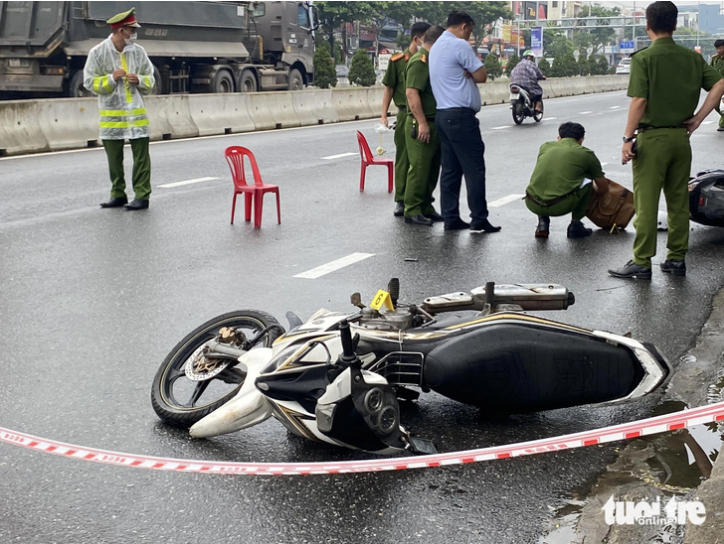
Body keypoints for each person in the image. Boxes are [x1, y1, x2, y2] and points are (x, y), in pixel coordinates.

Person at [609, 1, 724, 280]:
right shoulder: (693, 58)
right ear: (674, 25)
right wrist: (697, 118)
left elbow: (639, 100)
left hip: (653, 139)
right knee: (678, 201)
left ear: (647, 25)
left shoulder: (643, 58)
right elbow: (720, 84)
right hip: (680, 138)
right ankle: (675, 259)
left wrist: (627, 138)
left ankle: (641, 261)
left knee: (647, 202)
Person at [429, 12, 500, 233]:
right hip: (460, 117)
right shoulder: (459, 46)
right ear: (463, 26)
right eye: (470, 30)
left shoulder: (436, 47)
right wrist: (469, 71)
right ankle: (479, 218)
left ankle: (451, 217)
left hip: (443, 115)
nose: (470, 35)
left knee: (450, 170)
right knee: (474, 169)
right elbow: (481, 75)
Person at [84, 7, 155, 211]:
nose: (134, 34)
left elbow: (151, 79)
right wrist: (111, 79)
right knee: (114, 160)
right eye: (131, 30)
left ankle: (142, 196)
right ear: (120, 30)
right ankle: (118, 194)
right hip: (111, 118)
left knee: (141, 158)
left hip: (136, 117)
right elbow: (89, 82)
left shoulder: (139, 52)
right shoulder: (98, 53)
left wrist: (140, 80)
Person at [525, 122, 612, 239]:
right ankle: (575, 225)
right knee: (587, 180)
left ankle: (542, 223)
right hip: (560, 206)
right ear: (581, 140)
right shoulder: (586, 154)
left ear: (558, 138)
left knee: (547, 178)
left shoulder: (545, 146)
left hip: (532, 202)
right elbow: (604, 188)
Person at [381, 22, 431, 217]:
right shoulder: (397, 61)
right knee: (403, 159)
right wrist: (384, 115)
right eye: (426, 39)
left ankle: (421, 201)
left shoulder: (428, 60)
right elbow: (389, 89)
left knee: (422, 160)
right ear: (416, 39)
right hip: (404, 114)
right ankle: (401, 199)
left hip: (424, 114)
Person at [402, 26, 446, 226]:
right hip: (423, 122)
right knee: (419, 168)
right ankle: (412, 209)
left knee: (431, 169)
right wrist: (421, 123)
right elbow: (411, 94)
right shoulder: (419, 61)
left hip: (434, 121)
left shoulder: (431, 60)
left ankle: (426, 206)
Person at [711, 39, 724, 132]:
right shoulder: (715, 59)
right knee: (715, 105)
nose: (718, 50)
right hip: (717, 86)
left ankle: (722, 124)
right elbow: (710, 70)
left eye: (720, 48)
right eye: (717, 48)